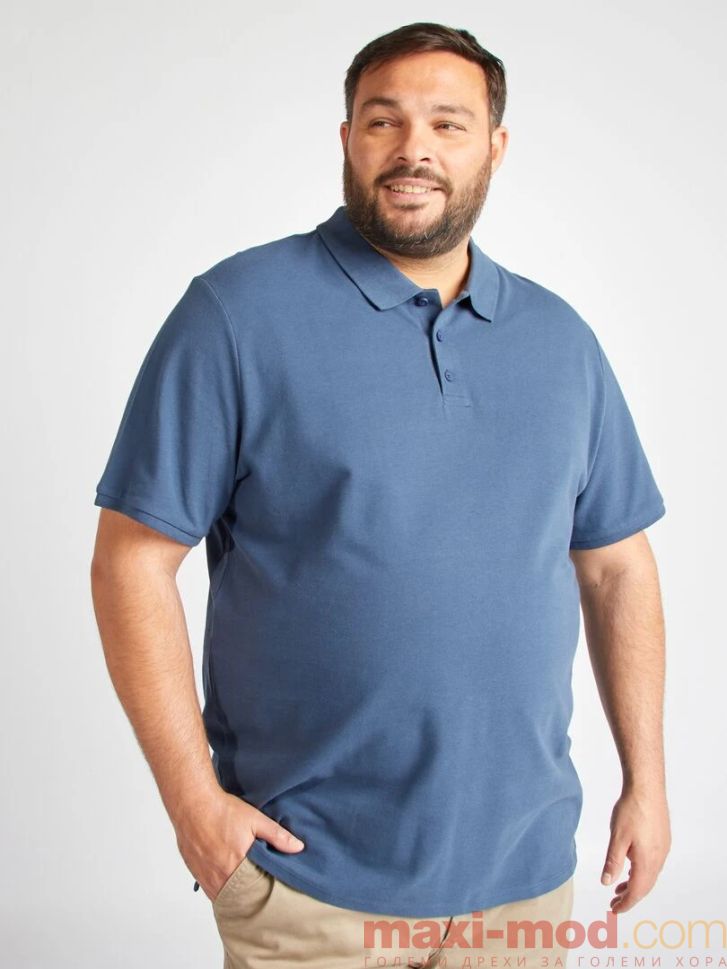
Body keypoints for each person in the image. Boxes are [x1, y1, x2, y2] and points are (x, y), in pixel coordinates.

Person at [90, 21, 671, 969]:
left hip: (521, 883)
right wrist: (193, 803)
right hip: (306, 879)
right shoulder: (235, 314)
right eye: (383, 121)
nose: (414, 149)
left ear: (494, 146)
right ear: (347, 138)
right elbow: (131, 560)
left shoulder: (561, 343)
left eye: (448, 124)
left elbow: (616, 568)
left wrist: (646, 781)